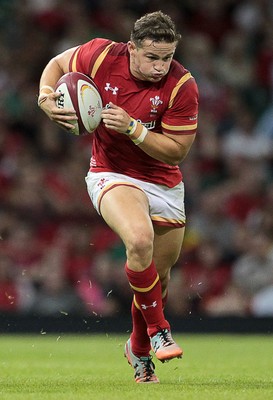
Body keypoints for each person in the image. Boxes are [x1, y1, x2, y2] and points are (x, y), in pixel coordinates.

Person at [38, 10, 199, 383]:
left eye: (167, 57)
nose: (161, 66)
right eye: (152, 57)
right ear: (131, 48)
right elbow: (58, 63)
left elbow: (177, 152)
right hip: (111, 173)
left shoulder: (182, 86)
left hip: (164, 182)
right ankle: (160, 329)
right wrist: (45, 96)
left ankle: (138, 350)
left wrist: (133, 129)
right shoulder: (100, 56)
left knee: (158, 279)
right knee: (139, 240)